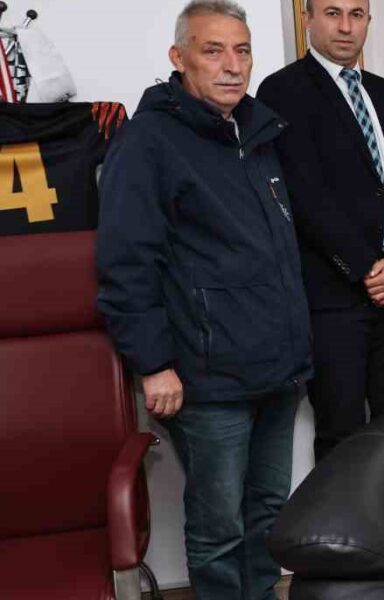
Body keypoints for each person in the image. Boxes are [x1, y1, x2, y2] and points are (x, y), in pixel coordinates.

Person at [96, 1, 311, 596]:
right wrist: (153, 363)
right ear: (179, 57)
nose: (232, 65)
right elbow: (126, 263)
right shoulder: (148, 142)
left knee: (268, 513)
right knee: (219, 529)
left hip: (277, 369)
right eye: (213, 51)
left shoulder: (259, 131)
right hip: (206, 378)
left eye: (242, 51)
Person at [258, 0, 384, 459]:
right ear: (307, 19)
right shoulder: (282, 91)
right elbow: (304, 194)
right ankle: (340, 514)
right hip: (335, 297)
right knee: (342, 436)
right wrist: (368, 268)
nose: (345, 26)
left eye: (357, 14)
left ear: (368, 22)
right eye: (333, 13)